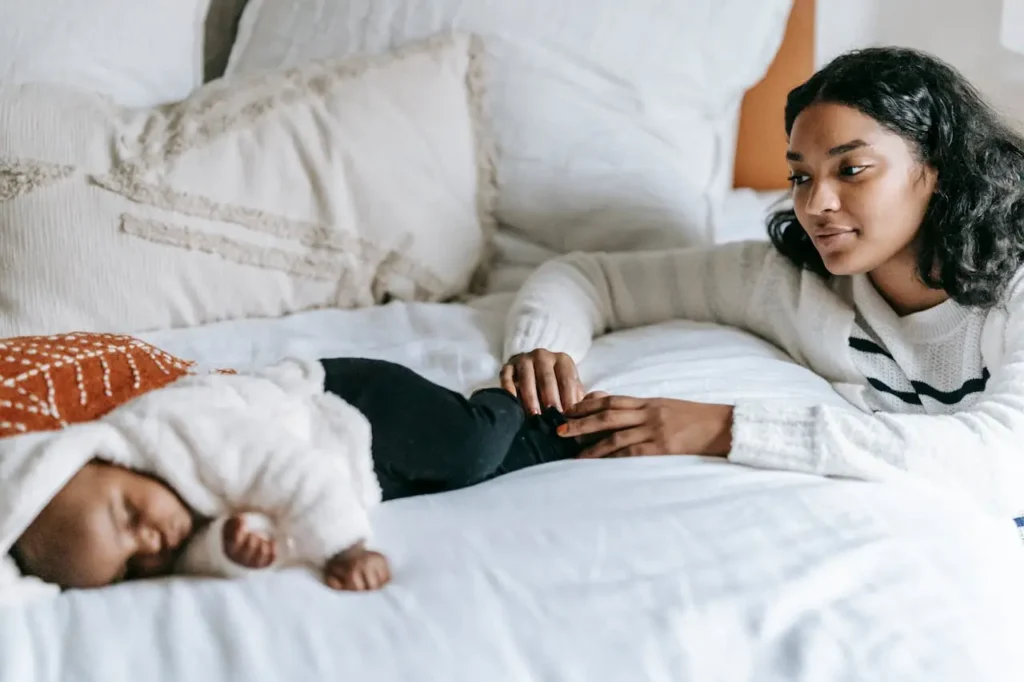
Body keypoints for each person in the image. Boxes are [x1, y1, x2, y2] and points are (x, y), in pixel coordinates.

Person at [500, 47, 1024, 523]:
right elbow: (592, 278)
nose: (816, 204)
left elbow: (1005, 463)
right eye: (801, 177)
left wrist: (725, 429)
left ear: (936, 167)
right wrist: (541, 348)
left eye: (852, 169)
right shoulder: (790, 285)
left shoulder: (1014, 286)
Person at [8, 356, 580, 595]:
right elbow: (205, 546)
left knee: (467, 448)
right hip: (352, 464)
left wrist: (343, 548)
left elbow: (284, 471)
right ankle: (557, 432)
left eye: (129, 515)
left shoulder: (175, 427)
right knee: (479, 475)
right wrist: (235, 550)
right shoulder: (162, 519)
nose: (153, 543)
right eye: (132, 565)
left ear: (106, 460)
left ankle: (501, 400)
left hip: (343, 403)